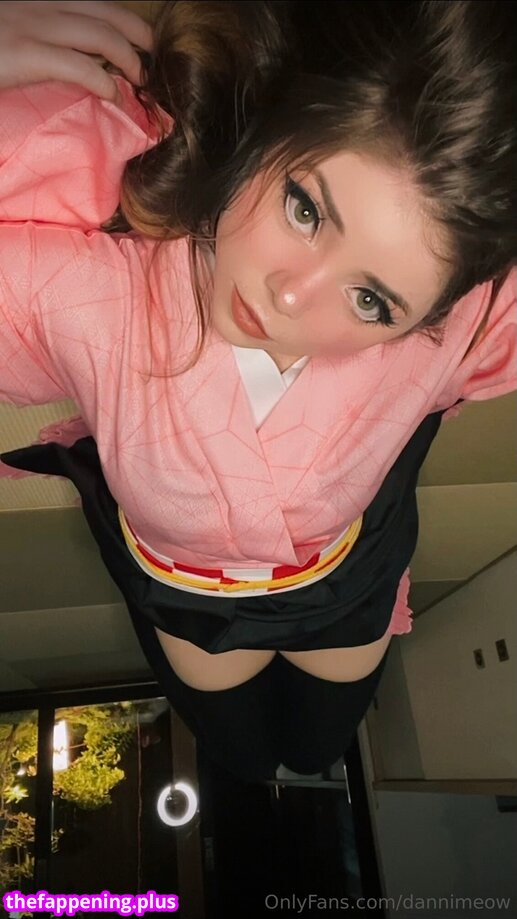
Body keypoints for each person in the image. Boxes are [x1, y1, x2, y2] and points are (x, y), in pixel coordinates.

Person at [0, 0, 515, 783]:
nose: (289, 294)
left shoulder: (467, 318)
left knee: (317, 748)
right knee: (241, 759)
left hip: (345, 576)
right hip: (188, 592)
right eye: (304, 207)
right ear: (271, 127)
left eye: (370, 300)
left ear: (438, 314)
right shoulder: (87, 268)